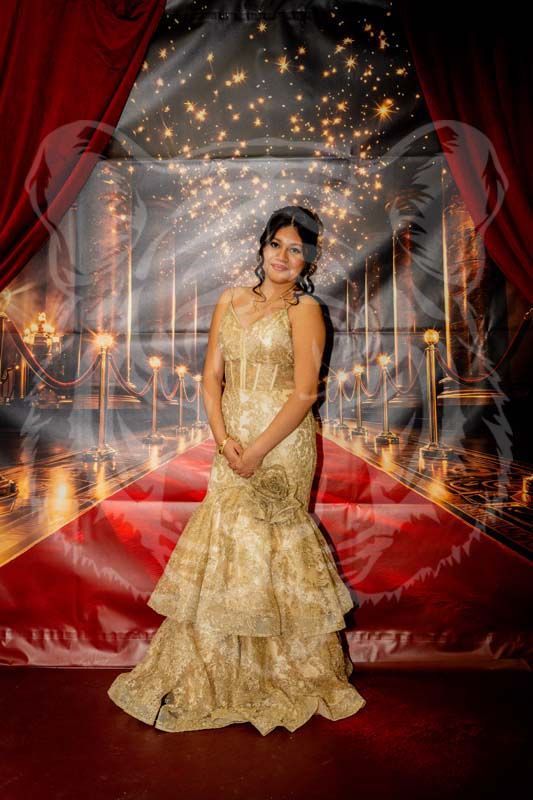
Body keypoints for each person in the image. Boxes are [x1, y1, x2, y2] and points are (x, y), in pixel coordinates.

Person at [107, 205, 366, 735]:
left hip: (283, 443)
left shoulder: (306, 310)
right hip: (230, 444)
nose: (284, 257)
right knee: (228, 542)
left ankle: (284, 669)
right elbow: (210, 379)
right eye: (277, 245)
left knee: (272, 546)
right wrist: (225, 442)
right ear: (262, 247)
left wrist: (256, 451)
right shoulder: (228, 300)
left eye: (297, 250)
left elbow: (303, 393)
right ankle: (221, 670)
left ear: (309, 260)